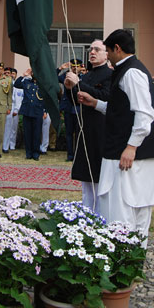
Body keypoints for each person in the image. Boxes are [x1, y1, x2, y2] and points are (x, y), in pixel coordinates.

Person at [78, 29, 154, 246]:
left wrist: (131, 147)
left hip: (128, 154)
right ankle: (128, 257)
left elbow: (144, 114)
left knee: (123, 207)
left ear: (117, 49)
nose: (107, 56)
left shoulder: (131, 73)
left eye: (108, 51)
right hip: (125, 150)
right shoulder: (125, 71)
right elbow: (121, 109)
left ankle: (124, 257)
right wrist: (95, 103)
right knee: (126, 206)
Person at [65, 39, 112, 210]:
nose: (92, 52)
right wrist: (69, 88)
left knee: (99, 176)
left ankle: (100, 212)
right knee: (86, 177)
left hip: (101, 129)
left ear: (107, 54)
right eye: (91, 49)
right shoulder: (87, 75)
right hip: (84, 129)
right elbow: (75, 101)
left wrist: (80, 84)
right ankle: (87, 210)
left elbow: (105, 96)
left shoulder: (110, 75)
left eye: (97, 49)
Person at [14, 69, 46, 161]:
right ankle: (28, 153)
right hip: (27, 111)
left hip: (37, 112)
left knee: (36, 134)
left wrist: (45, 111)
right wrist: (23, 75)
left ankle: (36, 153)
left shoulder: (42, 84)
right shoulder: (26, 82)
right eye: (32, 72)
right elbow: (16, 84)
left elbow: (46, 99)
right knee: (27, 134)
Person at [58, 59, 82, 162]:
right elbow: (54, 78)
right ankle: (70, 155)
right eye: (73, 67)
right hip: (68, 108)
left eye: (77, 67)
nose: (75, 68)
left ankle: (77, 154)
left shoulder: (84, 78)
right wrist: (60, 69)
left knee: (78, 133)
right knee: (69, 133)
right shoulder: (66, 76)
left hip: (79, 109)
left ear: (80, 67)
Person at [3, 68, 23, 153]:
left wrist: (16, 109)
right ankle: (3, 145)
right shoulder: (3, 83)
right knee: (3, 127)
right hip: (3, 107)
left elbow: (19, 98)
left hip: (13, 106)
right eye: (6, 73)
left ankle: (11, 145)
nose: (7, 74)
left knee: (13, 128)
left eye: (9, 73)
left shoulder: (16, 84)